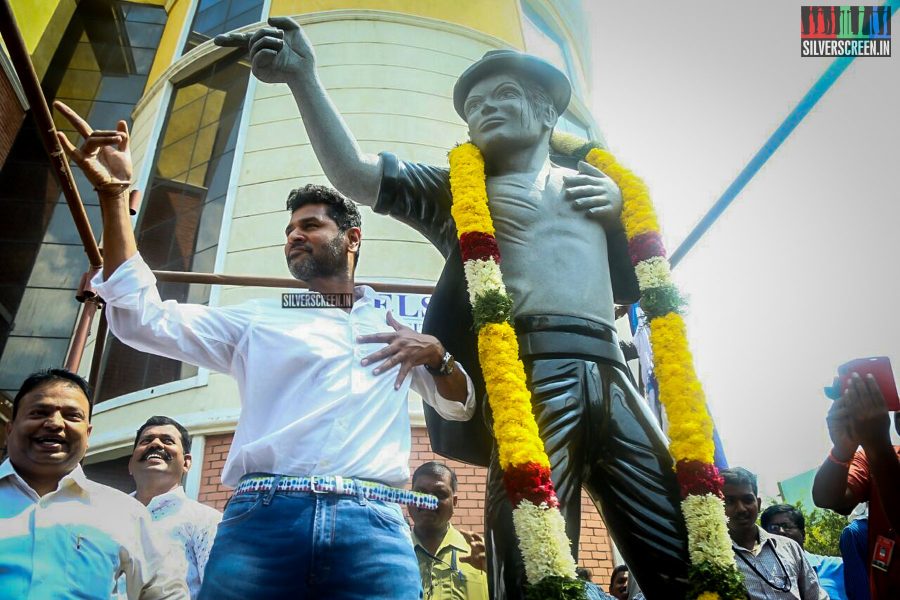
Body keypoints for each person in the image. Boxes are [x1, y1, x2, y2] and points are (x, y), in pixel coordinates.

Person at [214, 17, 688, 600]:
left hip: (613, 376)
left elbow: (638, 281)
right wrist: (303, 79)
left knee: (686, 544)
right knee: (530, 560)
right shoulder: (455, 193)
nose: (487, 108)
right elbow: (356, 175)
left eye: (505, 95)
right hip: (529, 381)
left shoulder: (598, 187)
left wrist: (619, 208)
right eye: (475, 104)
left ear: (546, 114)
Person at [53, 100, 477, 600]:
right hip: (264, 522)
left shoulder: (396, 327)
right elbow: (140, 318)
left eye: (310, 226)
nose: (295, 236)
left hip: (374, 529)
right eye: (289, 231)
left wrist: (439, 356)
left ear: (352, 238)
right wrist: (113, 194)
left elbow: (459, 403)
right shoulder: (257, 319)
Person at [0, 369, 188, 599]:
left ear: (88, 435)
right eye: (39, 412)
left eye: (72, 416)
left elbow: (166, 592)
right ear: (10, 429)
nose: (54, 423)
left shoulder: (123, 512)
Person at [812, 372, 900, 599]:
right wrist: (842, 449)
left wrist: (877, 443)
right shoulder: (875, 454)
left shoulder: (878, 450)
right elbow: (829, 499)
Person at [130, 416, 222, 599]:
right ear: (130, 464)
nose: (155, 444)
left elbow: (217, 592)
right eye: (146, 440)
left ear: (187, 463)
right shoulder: (109, 515)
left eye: (167, 441)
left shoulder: (207, 521)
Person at [722, 467, 827, 600]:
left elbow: (816, 597)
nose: (741, 509)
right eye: (729, 502)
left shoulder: (789, 547)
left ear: (758, 504)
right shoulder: (716, 559)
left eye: (748, 500)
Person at [409, 462, 488, 600]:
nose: (428, 500)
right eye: (420, 492)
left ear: (454, 502)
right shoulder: (396, 552)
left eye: (440, 494)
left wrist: (495, 570)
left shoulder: (481, 553)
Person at [761, 504, 846, 600]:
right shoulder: (763, 579)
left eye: (786, 526)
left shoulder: (838, 566)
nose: (781, 531)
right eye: (774, 528)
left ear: (803, 534)